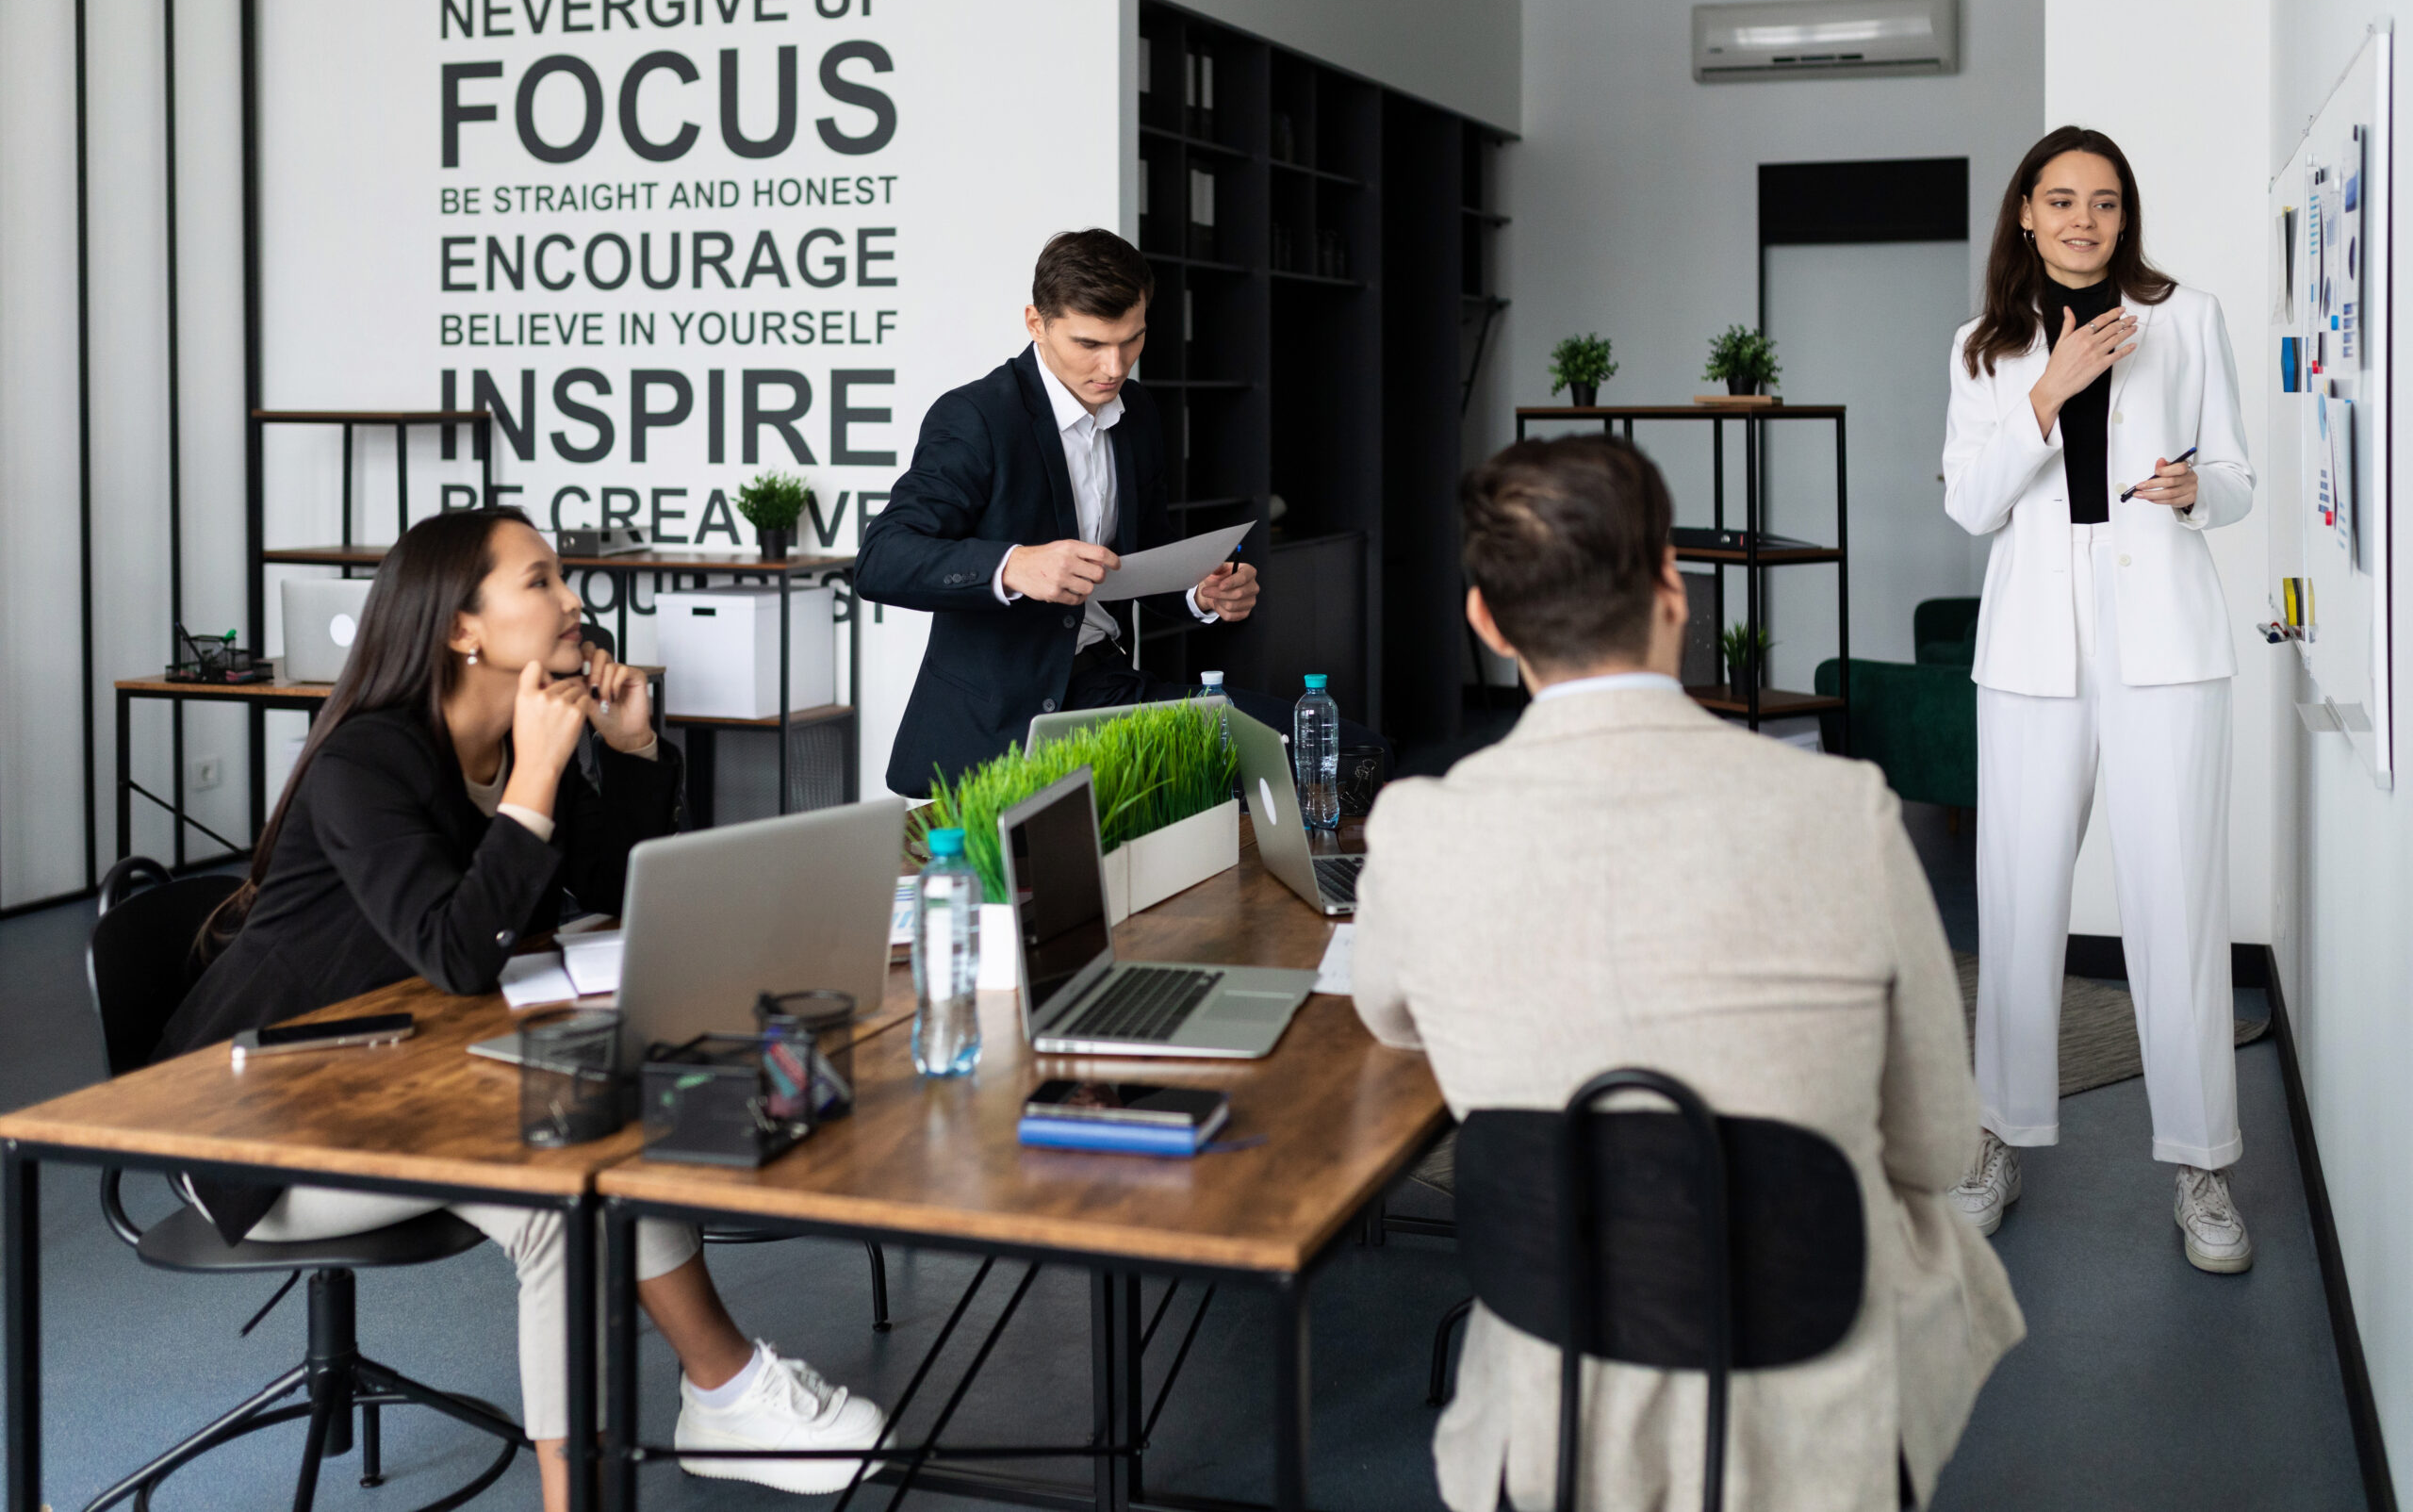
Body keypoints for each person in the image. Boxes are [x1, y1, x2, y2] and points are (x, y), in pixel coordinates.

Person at [157, 509, 882, 1509]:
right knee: (560, 1187)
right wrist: (540, 772)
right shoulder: (366, 762)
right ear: (463, 630)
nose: (573, 599)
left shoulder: (513, 737)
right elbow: (461, 953)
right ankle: (674, 1426)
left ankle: (725, 1394)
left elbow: (605, 894)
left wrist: (627, 756)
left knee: (634, 1102)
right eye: (539, 581)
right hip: (253, 1116)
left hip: (407, 1070)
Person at [1351, 437, 2023, 1512]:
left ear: (1485, 618)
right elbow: (1938, 1144)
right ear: (1675, 587)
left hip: (1554, 1412)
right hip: (1815, 1414)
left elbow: (1385, 1013)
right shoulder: (1843, 812)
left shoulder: (1419, 829)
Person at [1943, 126, 2257, 1273]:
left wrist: (2192, 490)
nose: (2085, 219)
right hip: (2033, 648)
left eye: (2106, 202)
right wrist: (2048, 390)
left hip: (2164, 640)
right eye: (2062, 199)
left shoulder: (2186, 319)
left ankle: (2202, 1166)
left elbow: (2233, 479)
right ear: (2024, 211)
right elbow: (1972, 506)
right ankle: (1999, 1139)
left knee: (2175, 900)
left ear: (2126, 218)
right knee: (2018, 898)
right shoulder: (1983, 348)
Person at [855, 227, 1262, 797]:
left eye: (1132, 339)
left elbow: (1140, 552)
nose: (1114, 366)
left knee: (1312, 750)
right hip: (999, 723)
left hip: (1106, 685)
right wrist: (1014, 566)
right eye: (1089, 344)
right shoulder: (976, 417)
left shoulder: (1137, 412)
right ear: (1036, 323)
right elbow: (880, 559)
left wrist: (1200, 593)